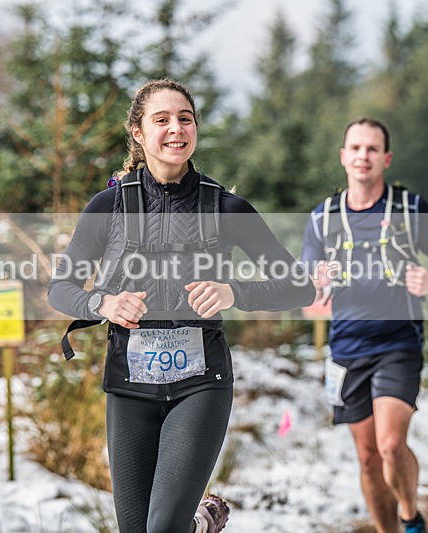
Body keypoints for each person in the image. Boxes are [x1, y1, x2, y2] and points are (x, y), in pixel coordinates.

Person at [48, 78, 315, 533]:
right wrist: (103, 302)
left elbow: (299, 288)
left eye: (185, 119)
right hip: (130, 384)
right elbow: (61, 288)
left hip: (200, 384)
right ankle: (201, 525)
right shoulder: (108, 205)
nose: (176, 129)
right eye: (162, 120)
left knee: (163, 527)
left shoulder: (226, 208)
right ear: (137, 132)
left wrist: (236, 292)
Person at [301, 118, 428, 533]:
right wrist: (316, 287)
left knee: (390, 445)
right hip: (347, 348)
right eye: (355, 148)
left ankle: (410, 516)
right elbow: (307, 292)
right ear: (343, 157)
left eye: (372, 149)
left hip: (398, 342)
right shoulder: (322, 218)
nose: (363, 156)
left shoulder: (409, 207)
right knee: (367, 457)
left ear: (385, 158)